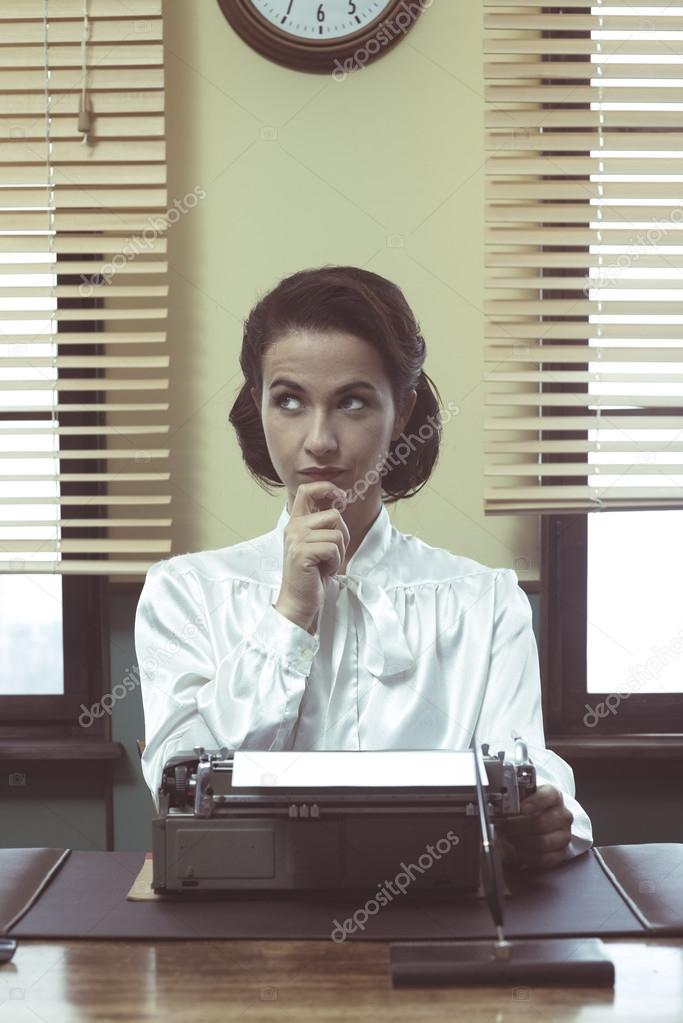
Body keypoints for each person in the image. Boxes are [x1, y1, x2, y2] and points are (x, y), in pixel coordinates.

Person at [135, 265, 593, 869]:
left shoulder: (484, 602)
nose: (319, 440)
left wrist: (550, 816)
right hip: (238, 920)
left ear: (402, 413)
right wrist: (291, 614)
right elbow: (181, 788)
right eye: (289, 400)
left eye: (351, 402)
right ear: (259, 404)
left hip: (437, 923)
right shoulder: (184, 593)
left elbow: (525, 766)